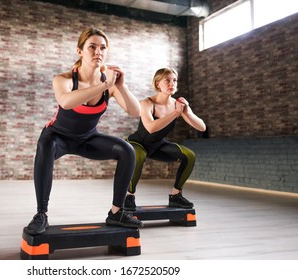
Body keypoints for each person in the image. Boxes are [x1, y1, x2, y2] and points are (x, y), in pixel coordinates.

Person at [25, 27, 143, 235]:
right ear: (80, 51)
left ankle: (117, 212)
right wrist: (103, 85)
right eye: (92, 47)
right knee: (45, 145)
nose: (98, 52)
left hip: (87, 139)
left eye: (103, 48)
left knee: (127, 150)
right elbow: (66, 101)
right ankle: (41, 214)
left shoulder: (110, 84)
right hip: (58, 136)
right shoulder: (64, 79)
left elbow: (135, 112)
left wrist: (121, 87)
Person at [124, 67, 206, 211]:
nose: (171, 83)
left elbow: (202, 127)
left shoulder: (178, 104)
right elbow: (150, 128)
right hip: (138, 143)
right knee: (139, 154)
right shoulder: (147, 103)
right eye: (167, 80)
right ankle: (129, 197)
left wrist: (186, 111)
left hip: (157, 146)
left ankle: (176, 196)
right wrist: (176, 113)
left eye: (174, 80)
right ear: (157, 84)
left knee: (189, 156)